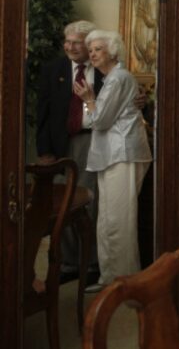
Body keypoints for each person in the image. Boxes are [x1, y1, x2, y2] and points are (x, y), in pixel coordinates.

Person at [72, 30, 152, 293]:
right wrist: (92, 102)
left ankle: (126, 283)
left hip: (122, 155)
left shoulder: (118, 78)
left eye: (98, 49)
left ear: (112, 51)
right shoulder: (113, 78)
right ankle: (110, 279)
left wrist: (88, 100)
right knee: (107, 220)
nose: (92, 53)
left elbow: (99, 120)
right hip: (111, 157)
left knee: (119, 221)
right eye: (91, 49)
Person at [36, 20, 103, 281]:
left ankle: (91, 263)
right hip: (61, 145)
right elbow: (42, 113)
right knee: (61, 203)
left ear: (89, 44)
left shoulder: (103, 69)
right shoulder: (53, 70)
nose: (70, 46)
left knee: (89, 202)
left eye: (76, 42)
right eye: (68, 41)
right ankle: (67, 265)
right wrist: (44, 151)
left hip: (93, 143)